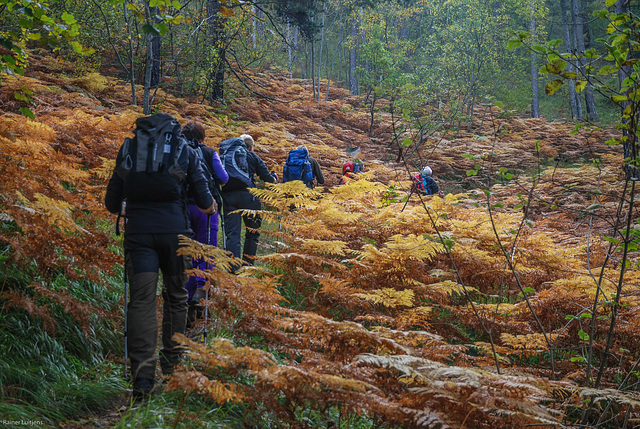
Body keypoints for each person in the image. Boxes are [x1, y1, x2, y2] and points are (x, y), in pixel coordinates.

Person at [104, 114, 216, 401]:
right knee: (176, 295)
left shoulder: (129, 147)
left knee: (142, 301)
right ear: (173, 131)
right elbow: (204, 201)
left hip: (139, 236)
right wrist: (212, 208)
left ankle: (142, 378)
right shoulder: (185, 151)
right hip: (176, 236)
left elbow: (111, 203)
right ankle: (172, 366)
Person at [181, 121, 229, 319]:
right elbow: (223, 177)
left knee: (188, 251)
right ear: (202, 137)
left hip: (182, 208)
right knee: (207, 249)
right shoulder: (209, 152)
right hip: (207, 208)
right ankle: (201, 290)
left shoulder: (178, 151)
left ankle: (187, 297)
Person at [221, 134, 277, 269]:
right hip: (249, 197)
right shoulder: (252, 156)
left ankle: (233, 269)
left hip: (228, 197)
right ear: (250, 147)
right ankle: (247, 266)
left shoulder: (228, 155)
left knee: (232, 234)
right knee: (252, 233)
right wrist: (274, 178)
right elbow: (268, 179)